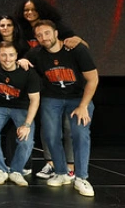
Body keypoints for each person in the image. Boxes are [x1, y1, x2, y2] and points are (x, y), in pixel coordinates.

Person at [22, 19, 99, 196]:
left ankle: (81, 178)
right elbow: (24, 60)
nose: (44, 38)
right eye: (39, 35)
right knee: (50, 135)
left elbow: (93, 79)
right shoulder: (36, 53)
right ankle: (61, 172)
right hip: (52, 97)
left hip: (78, 98)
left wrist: (83, 106)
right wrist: (23, 61)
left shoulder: (77, 50)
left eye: (47, 33)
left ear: (56, 34)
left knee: (80, 133)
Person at [13, 0, 86, 178]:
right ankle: (51, 163)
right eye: (26, 10)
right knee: (49, 129)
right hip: (43, 84)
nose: (29, 13)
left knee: (69, 128)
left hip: (69, 87)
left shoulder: (58, 26)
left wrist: (75, 41)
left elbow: (81, 45)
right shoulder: (22, 29)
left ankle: (70, 166)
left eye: (33, 9)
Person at [0, 41, 41, 187]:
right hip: (0, 107)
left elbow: (35, 100)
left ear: (17, 56)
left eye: (11, 55)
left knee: (26, 139)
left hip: (22, 108)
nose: (7, 59)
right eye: (4, 55)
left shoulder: (28, 72)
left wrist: (27, 124)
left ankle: (16, 171)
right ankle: (0, 170)